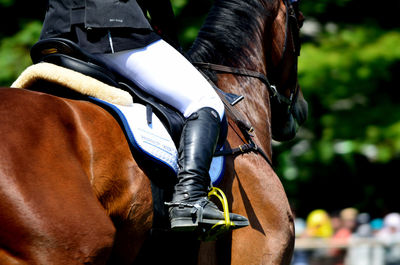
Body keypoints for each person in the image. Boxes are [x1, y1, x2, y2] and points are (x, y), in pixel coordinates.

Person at [39, 0, 249, 233]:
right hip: (113, 30)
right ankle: (189, 199)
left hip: (55, 36)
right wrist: (171, 42)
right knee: (205, 102)